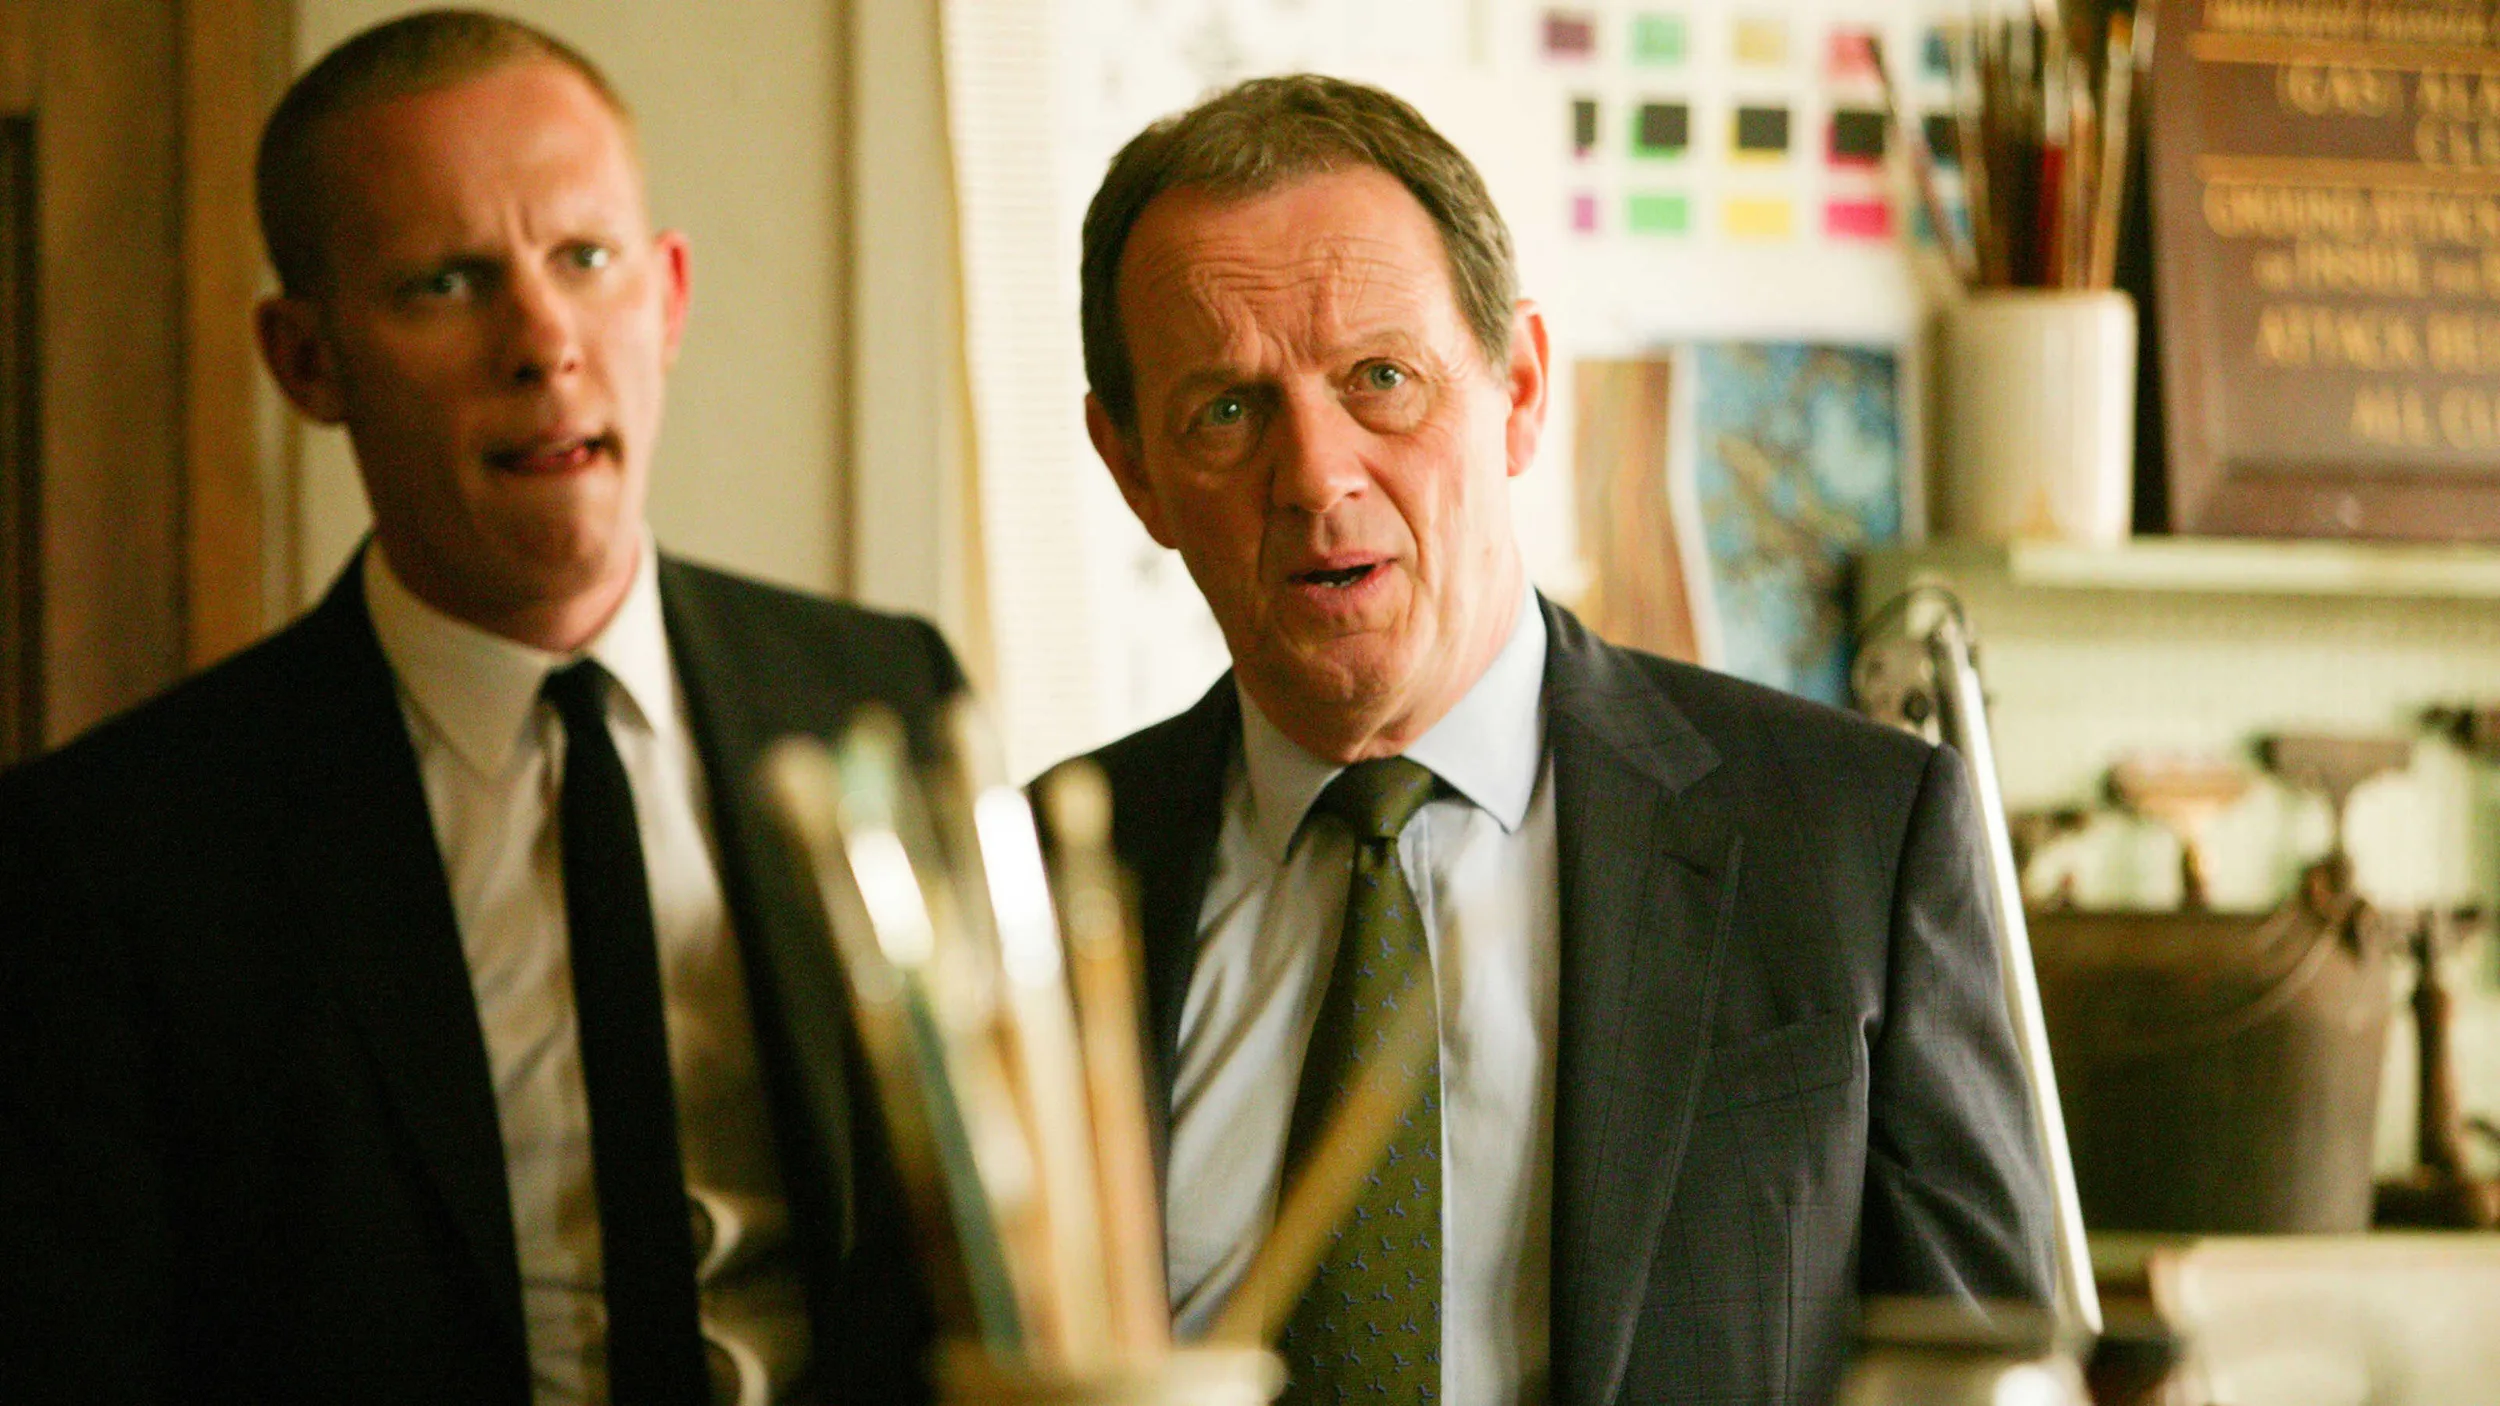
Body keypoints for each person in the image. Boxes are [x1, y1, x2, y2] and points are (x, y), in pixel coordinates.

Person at [0, 12, 949, 1405]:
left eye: (586, 259)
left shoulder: (886, 695)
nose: (543, 340)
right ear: (307, 362)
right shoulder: (113, 856)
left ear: (670, 296)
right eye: (446, 283)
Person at [1064, 74, 2056, 1405]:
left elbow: (1990, 1379)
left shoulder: (1853, 838)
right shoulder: (1030, 893)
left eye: (1381, 380)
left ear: (1522, 390)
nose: (1315, 475)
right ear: (1134, 468)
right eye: (1227, 411)